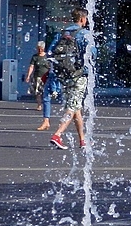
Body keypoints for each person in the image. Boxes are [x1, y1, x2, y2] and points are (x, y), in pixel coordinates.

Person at [48, 8, 90, 150]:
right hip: (79, 75)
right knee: (72, 107)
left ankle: (82, 140)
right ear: (83, 19)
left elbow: (51, 52)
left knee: (75, 106)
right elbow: (93, 54)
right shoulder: (84, 34)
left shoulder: (61, 34)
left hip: (64, 75)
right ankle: (57, 135)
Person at [25, 41, 50, 112]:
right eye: (38, 48)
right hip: (37, 76)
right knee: (38, 92)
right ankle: (39, 105)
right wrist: (28, 76)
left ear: (43, 48)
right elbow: (31, 67)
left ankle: (46, 104)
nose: (39, 50)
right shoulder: (35, 57)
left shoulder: (47, 56)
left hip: (46, 77)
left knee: (46, 92)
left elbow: (51, 67)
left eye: (41, 48)